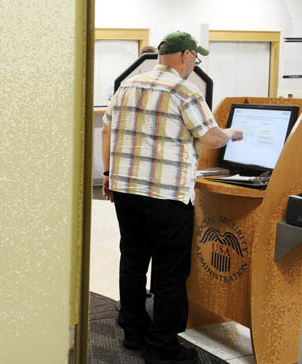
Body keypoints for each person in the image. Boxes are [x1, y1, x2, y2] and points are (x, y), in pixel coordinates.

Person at [101, 31, 244, 364]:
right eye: (196, 58)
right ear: (186, 55)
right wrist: (233, 133)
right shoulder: (185, 90)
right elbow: (211, 138)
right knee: (169, 272)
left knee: (133, 262)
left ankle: (133, 334)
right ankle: (163, 347)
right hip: (166, 196)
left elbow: (107, 130)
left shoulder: (128, 85)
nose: (195, 64)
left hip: (126, 191)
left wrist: (108, 175)